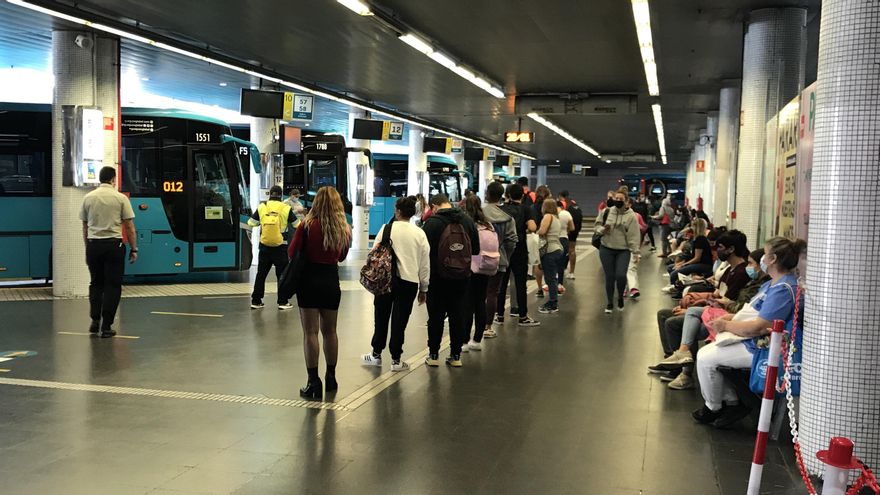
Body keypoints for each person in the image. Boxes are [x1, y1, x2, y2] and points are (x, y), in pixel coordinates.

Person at [692, 237, 806, 429]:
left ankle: (714, 406)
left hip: (769, 347)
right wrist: (730, 318)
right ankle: (731, 403)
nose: (761, 257)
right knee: (710, 352)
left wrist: (726, 326)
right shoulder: (771, 284)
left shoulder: (784, 289)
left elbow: (760, 326)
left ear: (773, 259)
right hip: (756, 339)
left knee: (705, 358)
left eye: (765, 253)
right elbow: (750, 312)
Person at [649, 230, 753, 390]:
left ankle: (685, 372)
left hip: (721, 317)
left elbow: (725, 304)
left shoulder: (741, 273)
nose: (716, 250)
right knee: (663, 314)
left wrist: (696, 306)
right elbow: (717, 295)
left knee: (673, 323)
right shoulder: (729, 270)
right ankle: (673, 362)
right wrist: (696, 297)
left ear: (731, 249)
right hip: (712, 310)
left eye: (720, 247)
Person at [289, 186, 351, 399]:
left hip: (308, 281)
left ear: (316, 204)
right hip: (331, 281)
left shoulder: (307, 226)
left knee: (310, 332)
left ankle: (313, 382)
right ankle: (331, 377)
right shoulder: (344, 229)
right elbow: (341, 257)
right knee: (330, 331)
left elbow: (292, 252)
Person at [361, 196, 430, 372]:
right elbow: (424, 264)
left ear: (398, 211)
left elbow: (374, 253)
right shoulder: (419, 233)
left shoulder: (386, 228)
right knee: (400, 321)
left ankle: (376, 354)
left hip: (385, 280)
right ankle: (396, 360)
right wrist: (424, 288)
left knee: (381, 317)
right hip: (408, 283)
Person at [421, 193, 480, 367]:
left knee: (436, 316)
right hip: (461, 277)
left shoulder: (431, 223)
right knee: (457, 314)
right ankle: (455, 356)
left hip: (437, 277)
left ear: (434, 206)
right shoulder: (467, 221)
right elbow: (475, 249)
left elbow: (423, 252)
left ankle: (433, 356)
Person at [79, 166, 137, 338]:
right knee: (112, 285)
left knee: (96, 284)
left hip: (93, 245)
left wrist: (87, 246)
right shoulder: (120, 198)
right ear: (113, 179)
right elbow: (129, 226)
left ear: (99, 178)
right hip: (113, 246)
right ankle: (106, 326)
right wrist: (134, 248)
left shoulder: (88, 198)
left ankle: (94, 320)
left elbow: (84, 226)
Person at [461, 195, 511, 350]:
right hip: (486, 267)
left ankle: (464, 340)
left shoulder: (467, 224)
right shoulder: (488, 224)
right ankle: (477, 340)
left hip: (470, 268)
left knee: (467, 304)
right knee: (480, 302)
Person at [496, 183, 541, 327]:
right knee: (521, 284)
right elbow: (533, 227)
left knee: (501, 284)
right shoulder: (525, 209)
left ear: (507, 195)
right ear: (522, 195)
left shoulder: (501, 209)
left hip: (503, 250)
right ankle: (523, 316)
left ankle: (499, 315)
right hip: (519, 250)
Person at [480, 182, 518, 340]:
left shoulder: (478, 213)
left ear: (487, 194)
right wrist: (504, 256)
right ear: (502, 195)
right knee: (492, 293)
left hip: (478, 259)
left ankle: (475, 327)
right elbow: (512, 241)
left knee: (477, 293)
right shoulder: (508, 218)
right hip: (498, 259)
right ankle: (488, 327)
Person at [249, 186, 294, 310]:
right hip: (281, 247)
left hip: (264, 246)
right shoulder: (286, 208)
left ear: (270, 195)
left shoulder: (262, 207)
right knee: (282, 276)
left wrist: (263, 222)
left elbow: (251, 223)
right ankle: (282, 302)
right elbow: (297, 224)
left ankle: (256, 301)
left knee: (261, 274)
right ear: (280, 195)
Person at [595, 187, 640, 313]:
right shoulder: (607, 211)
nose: (618, 201)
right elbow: (597, 226)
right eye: (616, 199)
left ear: (626, 201)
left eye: (621, 199)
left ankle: (620, 296)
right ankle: (609, 302)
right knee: (609, 276)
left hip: (623, 250)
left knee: (620, 275)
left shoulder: (631, 216)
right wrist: (602, 230)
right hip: (606, 248)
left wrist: (636, 252)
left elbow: (634, 236)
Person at [663, 217, 713, 287]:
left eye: (693, 226)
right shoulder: (696, 238)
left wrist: (684, 265)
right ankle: (678, 285)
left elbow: (697, 258)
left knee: (674, 274)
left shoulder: (700, 239)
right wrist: (682, 263)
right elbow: (693, 257)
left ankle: (675, 288)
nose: (691, 228)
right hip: (699, 263)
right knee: (670, 267)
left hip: (704, 265)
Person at [536, 199, 563, 314]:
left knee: (550, 278)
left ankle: (553, 303)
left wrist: (534, 232)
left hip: (549, 250)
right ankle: (553, 300)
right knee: (553, 277)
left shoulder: (547, 216)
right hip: (557, 248)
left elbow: (542, 231)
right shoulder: (557, 218)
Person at [625, 197, 648, 299]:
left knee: (631, 268)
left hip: (632, 246)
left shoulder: (636, 216)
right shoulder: (616, 215)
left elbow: (644, 227)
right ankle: (625, 288)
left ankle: (633, 288)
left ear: (630, 204)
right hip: (620, 246)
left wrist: (638, 227)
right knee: (622, 270)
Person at [555, 200, 575, 291]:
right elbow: (572, 227)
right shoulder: (566, 214)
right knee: (561, 264)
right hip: (564, 239)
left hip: (554, 240)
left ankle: (551, 284)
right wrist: (566, 231)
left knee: (552, 263)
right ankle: (560, 284)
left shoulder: (551, 214)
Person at [564, 194, 583, 279]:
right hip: (575, 231)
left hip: (566, 231)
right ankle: (572, 272)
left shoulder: (565, 206)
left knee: (563, 250)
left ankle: (561, 269)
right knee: (572, 250)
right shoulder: (576, 205)